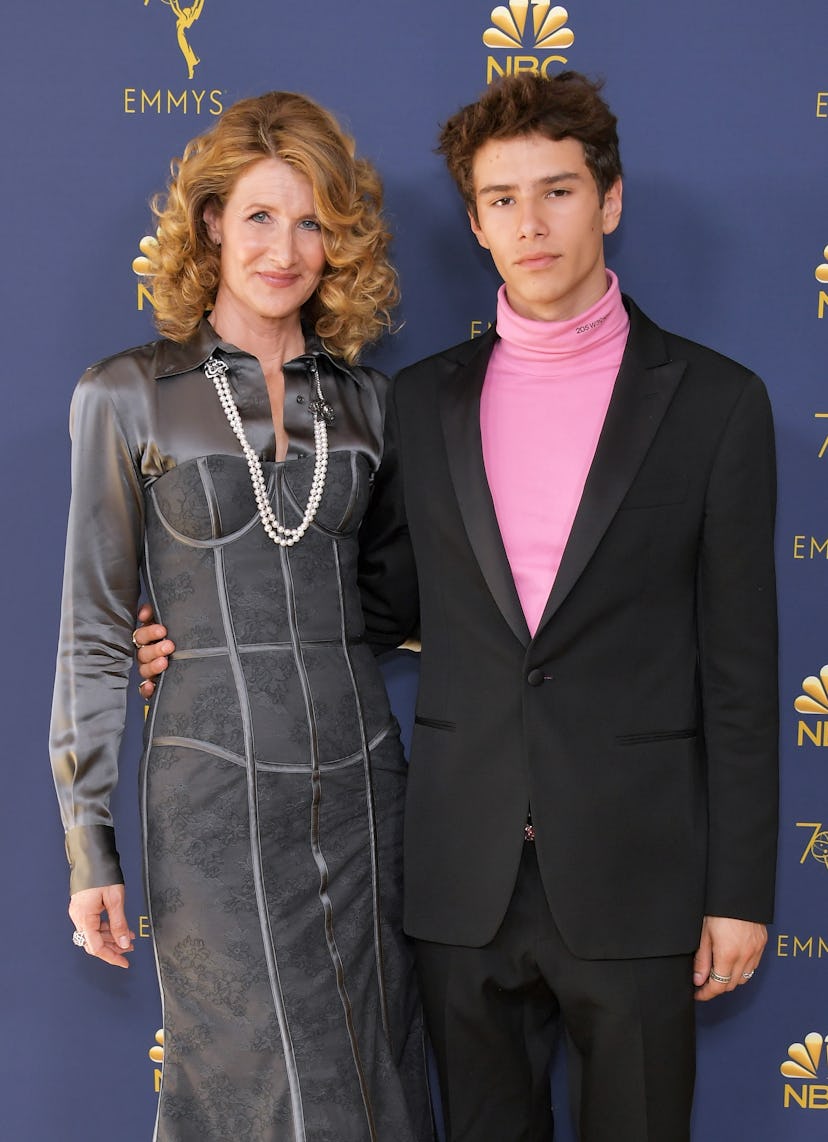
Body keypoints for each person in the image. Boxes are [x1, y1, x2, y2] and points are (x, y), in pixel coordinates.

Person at [137, 72, 779, 1141]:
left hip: (640, 874)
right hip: (456, 877)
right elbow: (366, 597)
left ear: (609, 201)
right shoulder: (422, 401)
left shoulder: (718, 404)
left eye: (559, 191)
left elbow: (746, 673)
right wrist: (198, 634)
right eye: (501, 198)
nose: (531, 223)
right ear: (476, 220)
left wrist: (741, 891)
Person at [50, 91, 432, 1142]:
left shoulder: (371, 403)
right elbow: (91, 627)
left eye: (311, 221)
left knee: (373, 1062)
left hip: (362, 782)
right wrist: (90, 845)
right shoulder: (125, 392)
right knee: (244, 1072)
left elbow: (407, 596)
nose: (285, 247)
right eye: (260, 216)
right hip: (208, 784)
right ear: (210, 220)